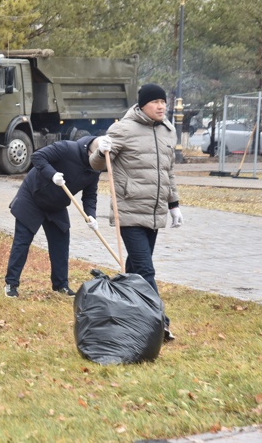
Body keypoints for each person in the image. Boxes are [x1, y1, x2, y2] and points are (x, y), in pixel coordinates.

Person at [89, 83, 182, 341]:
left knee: (134, 271)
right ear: (142, 105)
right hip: (128, 211)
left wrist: (173, 205)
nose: (161, 106)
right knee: (146, 269)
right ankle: (159, 322)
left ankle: (124, 312)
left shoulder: (167, 131)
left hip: (154, 213)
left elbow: (168, 172)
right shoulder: (122, 129)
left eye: (163, 101)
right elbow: (97, 164)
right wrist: (100, 149)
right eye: (155, 102)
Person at [3, 135, 101, 298]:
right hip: (32, 197)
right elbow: (37, 156)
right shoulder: (67, 148)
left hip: (56, 205)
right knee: (22, 241)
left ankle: (61, 285)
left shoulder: (94, 168)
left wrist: (91, 216)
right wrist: (52, 174)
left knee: (61, 243)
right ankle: (11, 283)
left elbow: (90, 195)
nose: (99, 167)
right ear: (91, 152)